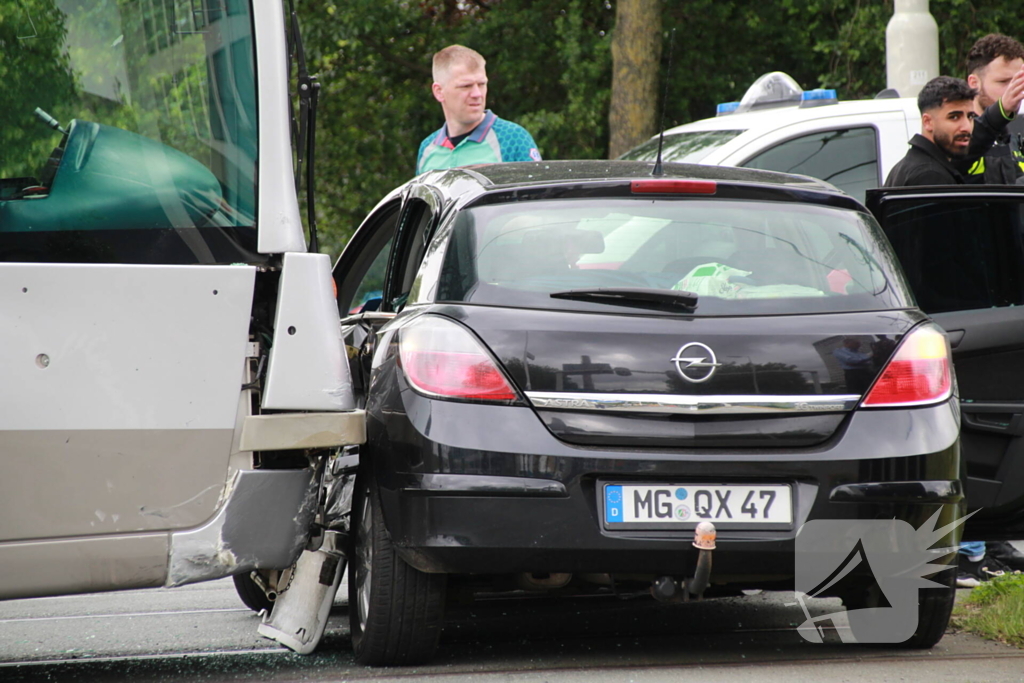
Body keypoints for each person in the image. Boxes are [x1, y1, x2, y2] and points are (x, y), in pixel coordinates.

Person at [416, 45, 542, 175]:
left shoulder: (512, 138)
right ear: (439, 92)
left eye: (481, 84)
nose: (477, 94)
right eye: (466, 86)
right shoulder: (427, 149)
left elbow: (539, 194)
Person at [884, 77, 978, 186]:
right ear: (927, 122)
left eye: (970, 116)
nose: (966, 127)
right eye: (954, 117)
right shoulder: (930, 175)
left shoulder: (910, 166)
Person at [962, 34, 1024, 184]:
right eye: (1003, 81)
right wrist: (1001, 110)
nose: (1014, 90)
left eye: (1019, 81)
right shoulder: (958, 136)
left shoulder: (1013, 136)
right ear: (974, 82)